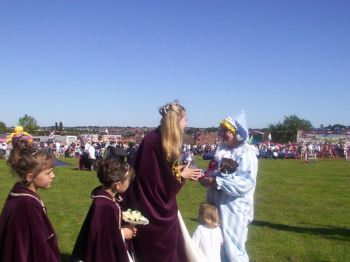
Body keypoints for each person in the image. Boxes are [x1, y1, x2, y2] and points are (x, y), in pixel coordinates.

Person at [123, 100, 202, 262]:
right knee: (161, 252)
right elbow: (160, 185)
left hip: (147, 205)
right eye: (185, 120)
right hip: (155, 209)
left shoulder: (155, 139)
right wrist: (183, 175)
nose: (186, 124)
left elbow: (158, 174)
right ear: (178, 120)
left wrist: (178, 172)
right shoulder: (157, 141)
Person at [201, 111, 259, 262]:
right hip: (216, 206)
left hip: (234, 210)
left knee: (233, 251)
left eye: (226, 130)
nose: (222, 133)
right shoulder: (222, 150)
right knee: (216, 248)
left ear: (237, 133)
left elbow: (246, 182)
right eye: (222, 130)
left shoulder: (247, 153)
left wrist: (217, 182)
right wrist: (204, 177)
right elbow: (214, 172)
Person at [0, 134, 60, 262]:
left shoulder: (21, 196)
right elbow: (38, 249)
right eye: (48, 173)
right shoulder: (27, 205)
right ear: (30, 177)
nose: (53, 176)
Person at [71, 157, 136, 262]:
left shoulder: (108, 200)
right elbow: (100, 238)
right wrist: (123, 233)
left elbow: (108, 229)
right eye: (129, 181)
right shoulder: (105, 205)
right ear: (117, 185)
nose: (130, 184)